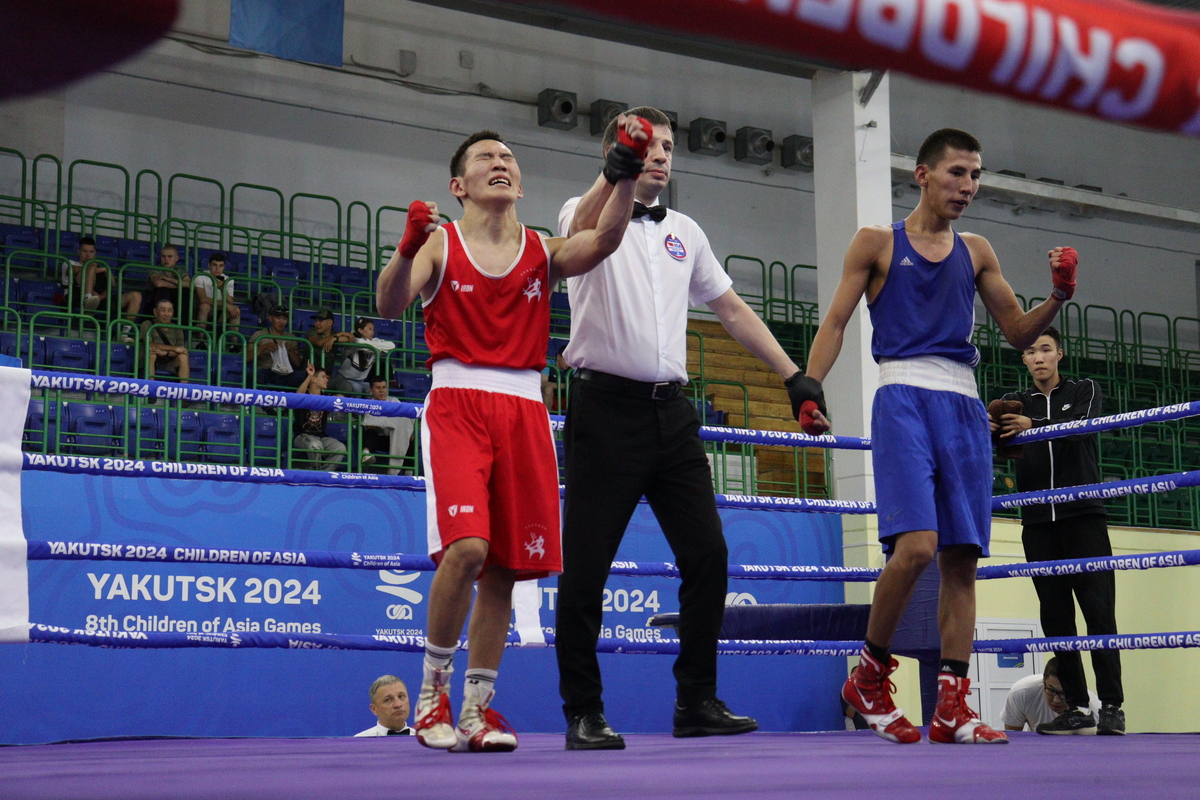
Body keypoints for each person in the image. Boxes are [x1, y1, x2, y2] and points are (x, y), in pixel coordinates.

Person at [797, 128, 1080, 745]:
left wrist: (1057, 297)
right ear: (923, 174)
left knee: (962, 560)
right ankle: (869, 676)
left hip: (963, 403)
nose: (968, 187)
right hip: (901, 396)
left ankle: (952, 703)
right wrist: (808, 386)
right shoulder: (875, 242)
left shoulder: (977, 250)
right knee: (918, 546)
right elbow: (838, 319)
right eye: (957, 173)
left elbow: (1015, 329)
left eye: (976, 175)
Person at [374, 121, 642, 753]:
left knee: (507, 569)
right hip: (459, 401)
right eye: (485, 158)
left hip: (524, 405)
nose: (500, 162)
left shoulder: (542, 249)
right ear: (457, 185)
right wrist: (407, 248)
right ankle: (432, 693)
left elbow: (604, 239)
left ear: (519, 181)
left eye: (508, 157)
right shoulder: (441, 243)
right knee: (467, 549)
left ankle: (476, 711)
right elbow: (388, 306)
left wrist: (624, 174)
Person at [556, 105, 807, 749]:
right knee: (586, 568)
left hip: (672, 414)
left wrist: (791, 374)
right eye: (650, 146)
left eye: (668, 146)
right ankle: (583, 711)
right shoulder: (574, 211)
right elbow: (579, 233)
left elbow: (728, 307)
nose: (663, 155)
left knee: (708, 555)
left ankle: (695, 700)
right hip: (603, 409)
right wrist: (614, 172)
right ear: (619, 151)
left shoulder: (686, 231)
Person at [993, 326, 1125, 735]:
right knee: (1056, 618)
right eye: (1031, 351)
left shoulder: (1084, 389)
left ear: (1059, 354)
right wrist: (995, 427)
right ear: (1025, 359)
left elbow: (1081, 425)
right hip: (1036, 523)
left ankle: (1113, 706)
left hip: (1083, 516)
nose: (1038, 357)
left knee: (1099, 612)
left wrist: (1034, 424)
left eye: (1045, 349)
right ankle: (1078, 706)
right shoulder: (1016, 402)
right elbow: (1000, 445)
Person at [1001, 657, 1100, 733]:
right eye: (1051, 690)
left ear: (1076, 690)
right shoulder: (1021, 693)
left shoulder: (1094, 710)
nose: (1056, 700)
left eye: (1064, 693)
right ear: (1043, 682)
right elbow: (1013, 739)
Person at [59, 236, 142, 320]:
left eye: (91, 252)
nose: (88, 254)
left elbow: (112, 285)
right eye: (84, 251)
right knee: (92, 265)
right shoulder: (69, 263)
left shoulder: (100, 268)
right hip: (75, 298)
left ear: (95, 253)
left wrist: (100, 297)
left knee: (136, 295)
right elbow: (74, 270)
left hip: (98, 301)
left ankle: (124, 332)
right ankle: (87, 299)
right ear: (78, 251)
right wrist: (104, 269)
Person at [291, 363, 346, 468]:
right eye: (323, 377)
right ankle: (315, 472)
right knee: (315, 445)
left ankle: (323, 475)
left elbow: (341, 398)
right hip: (302, 436)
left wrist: (339, 397)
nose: (326, 380)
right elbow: (297, 397)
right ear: (313, 380)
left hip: (321, 437)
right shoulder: (304, 396)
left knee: (340, 448)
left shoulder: (326, 398)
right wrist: (309, 376)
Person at [362, 375, 414, 475]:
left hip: (394, 438)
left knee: (408, 438)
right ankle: (366, 455)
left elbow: (404, 418)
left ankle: (409, 474)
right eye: (378, 388)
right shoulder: (368, 404)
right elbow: (370, 425)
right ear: (371, 390)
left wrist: (384, 421)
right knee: (370, 433)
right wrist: (389, 422)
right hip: (379, 440)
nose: (381, 391)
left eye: (384, 387)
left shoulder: (394, 401)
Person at [330, 318, 396, 395]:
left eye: (373, 329)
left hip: (361, 380)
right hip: (344, 378)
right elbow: (359, 342)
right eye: (370, 329)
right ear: (360, 330)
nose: (373, 332)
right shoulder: (353, 341)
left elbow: (392, 345)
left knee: (371, 390)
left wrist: (370, 347)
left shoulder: (373, 341)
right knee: (357, 388)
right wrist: (377, 348)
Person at [250, 304, 308, 388]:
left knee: (303, 375)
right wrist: (264, 347)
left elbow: (298, 363)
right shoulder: (259, 335)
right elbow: (247, 357)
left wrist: (290, 350)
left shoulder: (291, 337)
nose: (281, 322)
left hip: (285, 374)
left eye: (284, 319)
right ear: (270, 318)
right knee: (255, 373)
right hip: (266, 372)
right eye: (278, 318)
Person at [192, 251, 241, 341]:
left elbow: (231, 301)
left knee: (235, 310)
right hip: (201, 310)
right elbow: (203, 299)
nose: (217, 268)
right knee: (205, 306)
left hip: (219, 312)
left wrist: (223, 289)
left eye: (221, 265)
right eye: (214, 265)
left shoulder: (228, 280)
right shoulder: (200, 277)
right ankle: (201, 341)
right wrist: (225, 305)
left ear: (224, 267)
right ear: (209, 265)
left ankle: (234, 345)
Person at [139, 298, 190, 380]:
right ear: (155, 312)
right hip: (148, 361)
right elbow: (150, 344)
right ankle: (150, 387)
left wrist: (165, 353)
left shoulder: (177, 329)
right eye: (163, 310)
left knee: (183, 357)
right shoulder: (147, 324)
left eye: (169, 311)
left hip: (169, 363)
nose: (167, 314)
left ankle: (184, 390)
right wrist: (174, 348)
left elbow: (181, 350)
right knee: (151, 353)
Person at [146, 244, 190, 312]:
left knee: (186, 292)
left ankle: (183, 321)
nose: (166, 259)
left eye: (170, 257)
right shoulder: (155, 269)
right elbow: (158, 283)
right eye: (163, 256)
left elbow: (189, 284)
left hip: (175, 300)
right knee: (163, 290)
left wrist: (170, 279)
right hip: (155, 302)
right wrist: (180, 285)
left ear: (177, 258)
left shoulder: (181, 271)